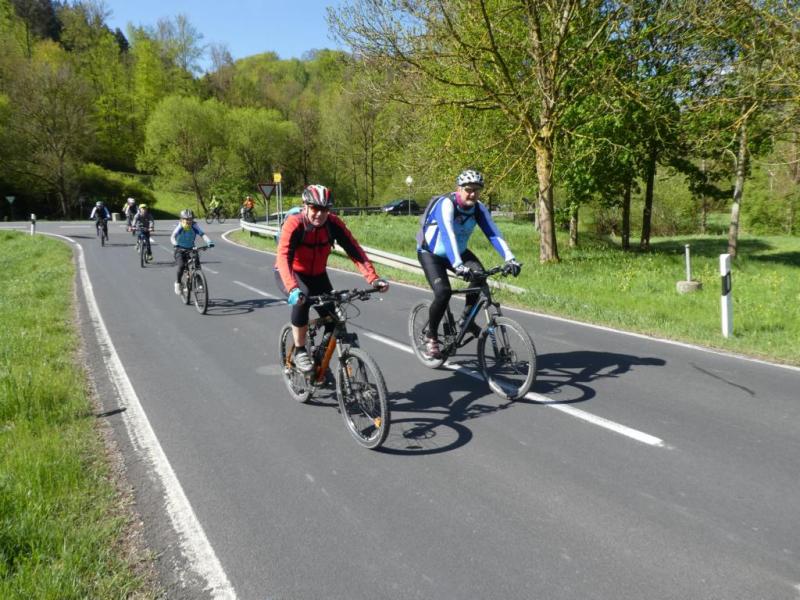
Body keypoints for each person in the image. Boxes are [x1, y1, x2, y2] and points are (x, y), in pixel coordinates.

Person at [274, 184, 389, 372]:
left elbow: (354, 250)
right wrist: (293, 288)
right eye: (315, 208)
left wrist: (373, 278)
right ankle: (300, 351)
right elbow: (284, 257)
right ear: (305, 206)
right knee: (303, 298)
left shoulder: (333, 224)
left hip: (318, 275)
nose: (320, 214)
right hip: (291, 273)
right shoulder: (294, 224)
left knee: (335, 319)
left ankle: (320, 361)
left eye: (325, 209)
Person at [416, 169, 521, 358]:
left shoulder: (478, 208)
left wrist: (510, 258)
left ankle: (465, 319)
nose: (472, 194)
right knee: (443, 292)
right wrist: (458, 265)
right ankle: (431, 335)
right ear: (459, 189)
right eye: (468, 189)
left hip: (459, 252)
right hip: (431, 254)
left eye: (476, 190)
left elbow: (493, 234)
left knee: (480, 276)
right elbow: (448, 234)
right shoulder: (446, 204)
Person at [170, 209, 214, 295]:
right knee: (181, 266)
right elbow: (173, 236)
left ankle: (199, 281)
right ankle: (178, 283)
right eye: (186, 219)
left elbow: (202, 234)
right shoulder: (180, 226)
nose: (188, 221)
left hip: (191, 248)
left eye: (190, 219)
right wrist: (175, 244)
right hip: (179, 249)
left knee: (197, 263)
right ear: (182, 219)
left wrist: (209, 242)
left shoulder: (194, 225)